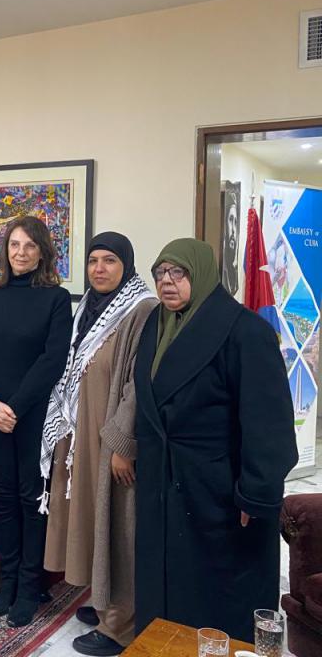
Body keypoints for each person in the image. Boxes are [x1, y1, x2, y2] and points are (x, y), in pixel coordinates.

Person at [133, 239, 296, 643]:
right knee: (164, 589)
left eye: (178, 272)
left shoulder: (245, 331)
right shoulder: (156, 325)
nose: (167, 281)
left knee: (214, 597)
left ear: (202, 273)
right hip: (164, 485)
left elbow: (269, 423)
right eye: (160, 272)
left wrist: (256, 494)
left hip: (219, 491)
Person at [40, 232, 157, 655]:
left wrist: (122, 442)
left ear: (126, 265)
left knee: (117, 524)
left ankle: (119, 626)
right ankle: (103, 600)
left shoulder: (142, 309)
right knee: (91, 518)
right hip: (79, 430)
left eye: (109, 260)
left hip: (109, 435)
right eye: (93, 261)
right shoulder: (90, 306)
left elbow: (140, 383)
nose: (99, 269)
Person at [0, 215, 72, 627]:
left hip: (33, 415)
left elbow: (53, 359)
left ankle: (29, 587)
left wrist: (15, 407)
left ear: (42, 252)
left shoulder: (56, 299)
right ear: (5, 251)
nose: (21, 252)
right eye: (14, 245)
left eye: (29, 245)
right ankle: (7, 582)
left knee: (31, 500)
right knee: (3, 498)